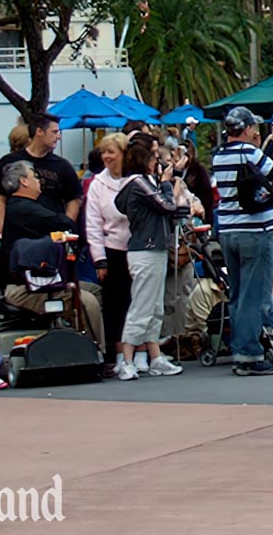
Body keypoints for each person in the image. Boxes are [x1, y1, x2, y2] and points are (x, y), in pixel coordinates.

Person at [212, 106, 273, 377]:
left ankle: (241, 349)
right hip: (256, 231)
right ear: (246, 129)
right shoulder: (250, 152)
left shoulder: (219, 156)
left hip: (229, 230)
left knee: (238, 293)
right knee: (254, 295)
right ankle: (249, 354)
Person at [0, 160, 105, 351]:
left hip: (42, 281)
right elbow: (63, 223)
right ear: (24, 181)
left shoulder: (24, 207)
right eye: (34, 176)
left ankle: (79, 342)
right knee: (87, 301)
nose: (39, 181)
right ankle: (96, 351)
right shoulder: (23, 209)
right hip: (26, 287)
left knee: (95, 290)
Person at [112, 141, 188, 380]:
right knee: (142, 307)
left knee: (155, 308)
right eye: (153, 157)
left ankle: (154, 357)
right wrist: (166, 182)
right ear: (143, 160)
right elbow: (167, 205)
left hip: (153, 249)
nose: (157, 161)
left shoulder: (140, 184)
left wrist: (168, 182)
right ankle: (126, 359)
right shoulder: (138, 183)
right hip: (145, 251)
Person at [0, 113, 83, 240]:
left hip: (52, 236)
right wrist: (3, 231)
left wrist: (65, 231)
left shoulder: (62, 166)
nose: (58, 137)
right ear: (39, 131)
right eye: (54, 132)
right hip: (18, 236)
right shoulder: (9, 162)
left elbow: (74, 199)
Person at [85, 132, 131, 370]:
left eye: (111, 152)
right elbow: (92, 224)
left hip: (137, 248)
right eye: (103, 152)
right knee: (115, 305)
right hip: (111, 250)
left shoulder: (136, 179)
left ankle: (140, 352)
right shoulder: (97, 185)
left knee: (138, 302)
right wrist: (100, 260)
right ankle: (117, 353)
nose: (106, 156)